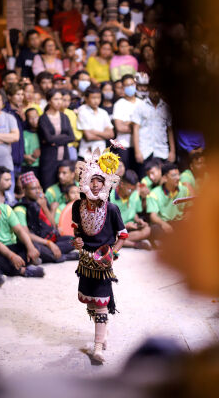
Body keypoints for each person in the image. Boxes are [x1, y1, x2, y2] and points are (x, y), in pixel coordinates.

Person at [73, 147, 128, 362]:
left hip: (103, 263)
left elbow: (122, 236)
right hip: (85, 262)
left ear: (106, 183)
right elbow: (77, 231)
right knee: (91, 303)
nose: (95, 185)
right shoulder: (78, 206)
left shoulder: (112, 209)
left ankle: (97, 347)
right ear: (84, 182)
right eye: (92, 180)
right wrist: (76, 241)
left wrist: (111, 254)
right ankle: (102, 332)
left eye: (99, 180)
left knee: (101, 302)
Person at [14, 171, 78, 263]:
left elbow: (53, 226)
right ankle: (65, 256)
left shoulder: (40, 202)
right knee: (38, 248)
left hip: (48, 239)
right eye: (33, 189)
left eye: (39, 188)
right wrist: (48, 244)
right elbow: (26, 234)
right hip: (37, 242)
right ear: (24, 190)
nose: (38, 191)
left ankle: (52, 255)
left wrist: (44, 207)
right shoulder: (20, 208)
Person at [0, 188, 43, 277]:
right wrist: (12, 256)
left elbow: (19, 230)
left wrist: (30, 247)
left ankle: (5, 269)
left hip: (11, 246)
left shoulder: (5, 209)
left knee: (34, 246)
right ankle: (22, 270)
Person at [132, 83, 176, 179]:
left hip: (162, 150)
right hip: (145, 150)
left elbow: (170, 130)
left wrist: (172, 151)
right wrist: (137, 151)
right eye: (153, 91)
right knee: (145, 180)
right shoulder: (141, 106)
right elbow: (135, 129)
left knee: (163, 180)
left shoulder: (166, 107)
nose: (155, 93)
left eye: (157, 91)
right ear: (149, 90)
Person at [38, 89, 75, 190]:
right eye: (56, 99)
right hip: (49, 158)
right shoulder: (43, 118)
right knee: (48, 185)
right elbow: (48, 139)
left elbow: (72, 137)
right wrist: (63, 137)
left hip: (64, 156)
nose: (59, 102)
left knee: (65, 187)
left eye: (61, 99)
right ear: (49, 101)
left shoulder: (64, 117)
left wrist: (55, 140)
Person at [110, 169, 151, 249]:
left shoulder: (134, 194)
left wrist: (138, 221)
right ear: (121, 184)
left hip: (129, 230)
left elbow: (134, 213)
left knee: (147, 230)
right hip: (115, 230)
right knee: (109, 236)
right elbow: (108, 223)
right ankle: (134, 244)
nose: (131, 192)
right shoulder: (110, 196)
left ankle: (121, 242)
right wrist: (125, 226)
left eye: (133, 189)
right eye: (129, 189)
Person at [146, 163, 190, 237]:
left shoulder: (185, 190)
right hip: (164, 222)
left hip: (180, 222)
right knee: (154, 229)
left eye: (178, 174)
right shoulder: (154, 193)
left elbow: (190, 209)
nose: (178, 177)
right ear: (165, 178)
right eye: (174, 175)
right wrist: (164, 224)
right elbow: (153, 216)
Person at [77, 86, 114, 160]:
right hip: (86, 154)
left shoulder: (103, 112)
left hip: (102, 154)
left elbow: (111, 134)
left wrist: (94, 131)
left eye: (98, 98)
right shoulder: (82, 111)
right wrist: (104, 135)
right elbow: (88, 137)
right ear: (86, 99)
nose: (96, 100)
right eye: (93, 98)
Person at [113, 74, 141, 169]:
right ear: (123, 88)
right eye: (127, 85)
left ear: (135, 84)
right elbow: (119, 127)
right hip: (123, 146)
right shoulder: (119, 104)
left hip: (141, 145)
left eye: (132, 84)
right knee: (124, 173)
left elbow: (146, 126)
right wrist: (137, 126)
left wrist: (128, 123)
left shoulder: (142, 103)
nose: (130, 87)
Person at [3, 84, 25, 176]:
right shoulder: (3, 113)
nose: (21, 97)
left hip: (19, 159)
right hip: (6, 160)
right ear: (9, 96)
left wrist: (24, 119)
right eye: (17, 94)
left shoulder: (21, 112)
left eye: (22, 94)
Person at [61, 90, 82, 160]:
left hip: (71, 145)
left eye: (68, 100)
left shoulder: (71, 113)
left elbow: (76, 131)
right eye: (64, 100)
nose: (67, 103)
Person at [21, 108, 40, 177]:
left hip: (40, 166)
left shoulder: (43, 133)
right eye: (31, 118)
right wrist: (25, 157)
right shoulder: (23, 133)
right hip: (26, 166)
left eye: (36, 117)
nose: (34, 120)